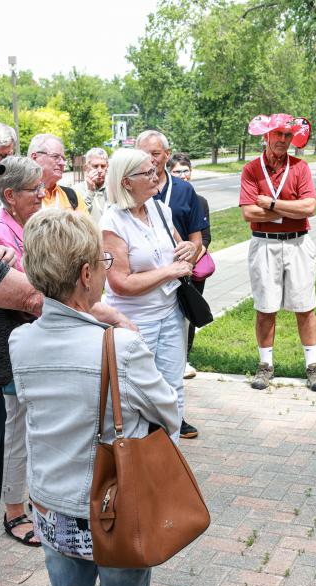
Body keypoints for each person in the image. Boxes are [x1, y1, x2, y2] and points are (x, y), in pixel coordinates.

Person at [9, 209, 180, 586]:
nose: (106, 269)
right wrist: (125, 330)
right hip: (115, 507)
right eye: (104, 261)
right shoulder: (121, 346)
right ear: (86, 274)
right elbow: (168, 413)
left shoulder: (20, 341)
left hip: (50, 503)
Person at [100, 148, 195, 443]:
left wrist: (189, 249)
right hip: (134, 322)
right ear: (126, 182)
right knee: (134, 395)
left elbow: (180, 249)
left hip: (170, 314)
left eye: (155, 169)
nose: (156, 176)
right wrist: (169, 272)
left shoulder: (159, 210)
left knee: (173, 389)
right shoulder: (112, 223)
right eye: (148, 172)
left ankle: (170, 456)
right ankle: (137, 460)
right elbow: (120, 283)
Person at [239, 113, 316, 392]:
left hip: (298, 243)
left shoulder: (300, 167)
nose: (283, 140)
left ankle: (312, 366)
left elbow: (308, 207)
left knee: (305, 305)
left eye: (288, 135)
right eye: (277, 134)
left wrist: (272, 204)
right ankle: (265, 365)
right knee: (265, 307)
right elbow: (248, 212)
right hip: (264, 243)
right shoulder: (252, 169)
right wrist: (290, 208)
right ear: (267, 135)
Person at [135, 131, 206, 438]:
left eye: (155, 154)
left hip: (174, 291)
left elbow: (196, 240)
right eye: (144, 154)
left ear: (167, 154)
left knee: (172, 369)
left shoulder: (182, 191)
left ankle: (172, 430)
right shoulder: (130, 195)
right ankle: (147, 432)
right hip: (141, 300)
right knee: (143, 374)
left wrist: (189, 256)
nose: (151, 160)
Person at [0, 156, 45, 546]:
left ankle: (34, 500)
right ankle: (13, 511)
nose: (42, 194)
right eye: (33, 189)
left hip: (40, 340)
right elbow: (22, 290)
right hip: (15, 344)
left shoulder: (33, 226)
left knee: (34, 428)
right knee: (15, 429)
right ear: (10, 195)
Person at [167, 152, 212, 384]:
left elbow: (204, 238)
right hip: (168, 265)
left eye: (186, 170)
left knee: (190, 312)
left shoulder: (200, 201)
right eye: (178, 171)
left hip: (191, 267)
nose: (183, 175)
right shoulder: (162, 199)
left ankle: (185, 358)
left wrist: (190, 262)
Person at [28, 133, 87, 213]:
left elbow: (85, 221)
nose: (62, 163)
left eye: (63, 158)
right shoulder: (20, 197)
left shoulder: (72, 196)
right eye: (55, 156)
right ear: (35, 157)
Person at [72, 147, 108, 222]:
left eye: (103, 166)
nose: (100, 170)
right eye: (95, 166)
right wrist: (90, 192)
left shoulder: (113, 188)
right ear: (86, 168)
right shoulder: (75, 190)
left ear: (107, 167)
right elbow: (77, 219)